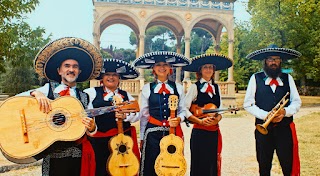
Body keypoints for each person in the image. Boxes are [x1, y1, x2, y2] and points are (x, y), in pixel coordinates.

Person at [17, 37, 103, 176]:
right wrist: (35, 93)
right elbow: (17, 100)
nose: (71, 69)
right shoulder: (47, 90)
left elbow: (91, 129)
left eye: (75, 67)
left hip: (77, 157)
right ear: (59, 71)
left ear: (79, 71)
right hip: (52, 156)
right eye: (67, 66)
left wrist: (92, 127)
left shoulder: (85, 97)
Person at [244, 44, 302, 176]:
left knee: (288, 165)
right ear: (265, 61)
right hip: (263, 131)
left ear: (280, 61)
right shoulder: (256, 78)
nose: (273, 62)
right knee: (264, 166)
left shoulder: (288, 78)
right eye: (270, 59)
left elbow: (297, 102)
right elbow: (248, 104)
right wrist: (266, 115)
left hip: (284, 129)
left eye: (276, 59)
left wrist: (285, 112)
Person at [132, 51, 190, 176]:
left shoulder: (178, 87)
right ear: (153, 68)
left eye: (165, 64)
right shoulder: (148, 88)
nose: (162, 67)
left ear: (170, 68)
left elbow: (183, 110)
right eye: (158, 64)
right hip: (152, 133)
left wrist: (179, 119)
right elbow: (144, 115)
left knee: (171, 166)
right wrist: (142, 137)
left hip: (172, 133)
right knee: (151, 166)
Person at [84, 58, 140, 176]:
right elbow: (84, 112)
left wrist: (126, 116)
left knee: (122, 170)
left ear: (119, 78)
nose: (111, 77)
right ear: (102, 78)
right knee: (100, 169)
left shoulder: (126, 95)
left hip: (122, 141)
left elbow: (137, 114)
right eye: (107, 75)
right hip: (99, 141)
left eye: (115, 75)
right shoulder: (91, 93)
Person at [183, 53, 233, 176]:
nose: (209, 70)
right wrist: (199, 121)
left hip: (213, 132)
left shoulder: (217, 87)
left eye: (211, 67)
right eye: (205, 67)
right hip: (199, 132)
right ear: (200, 70)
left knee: (212, 163)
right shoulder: (195, 87)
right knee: (199, 163)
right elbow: (184, 108)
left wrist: (218, 119)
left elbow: (219, 108)